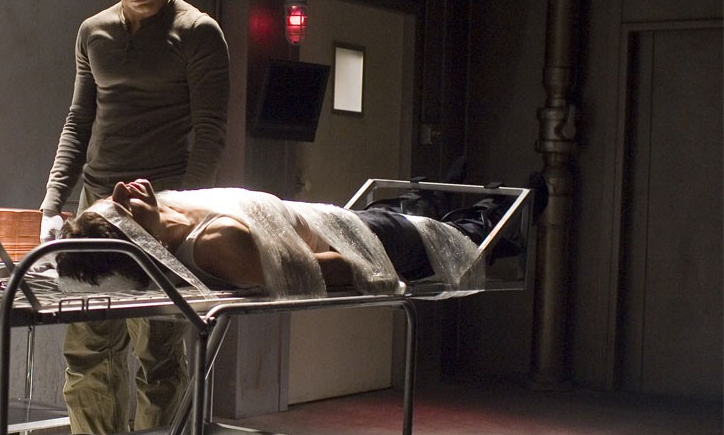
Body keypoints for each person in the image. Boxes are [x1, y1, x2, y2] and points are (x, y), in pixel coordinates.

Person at [38, 0, 231, 435]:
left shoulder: (197, 31)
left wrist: (181, 211)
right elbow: (79, 118)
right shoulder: (93, 31)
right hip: (95, 207)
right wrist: (53, 201)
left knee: (159, 351)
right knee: (88, 346)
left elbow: (210, 130)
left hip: (159, 208)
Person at [55, 176, 546, 299]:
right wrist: (380, 272)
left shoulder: (165, 210)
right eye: (122, 208)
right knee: (459, 238)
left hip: (342, 221)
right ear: (145, 242)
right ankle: (494, 223)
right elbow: (320, 272)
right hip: (366, 241)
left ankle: (430, 206)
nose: (122, 190)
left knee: (408, 215)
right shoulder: (216, 244)